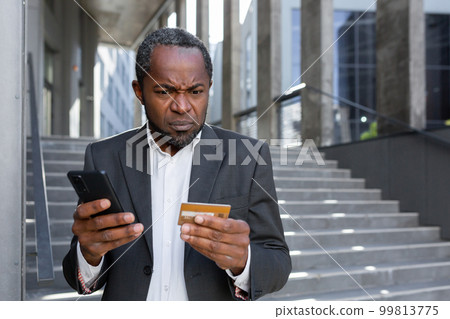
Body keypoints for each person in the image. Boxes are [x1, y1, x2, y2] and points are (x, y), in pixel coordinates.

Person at [62, 27, 291, 301]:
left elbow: (278, 262)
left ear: (209, 89)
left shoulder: (249, 157)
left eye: (195, 91)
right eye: (164, 91)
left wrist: (243, 261)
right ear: (139, 91)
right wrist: (88, 254)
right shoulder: (103, 156)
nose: (182, 106)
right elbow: (76, 273)